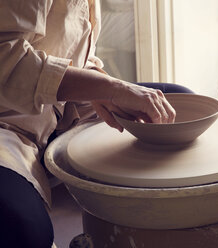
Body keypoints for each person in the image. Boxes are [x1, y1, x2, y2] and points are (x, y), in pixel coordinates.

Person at [0, 1, 193, 247]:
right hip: (8, 120)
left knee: (179, 102)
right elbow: (5, 59)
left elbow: (73, 51)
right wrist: (110, 88)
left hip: (64, 107)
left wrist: (100, 86)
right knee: (22, 229)